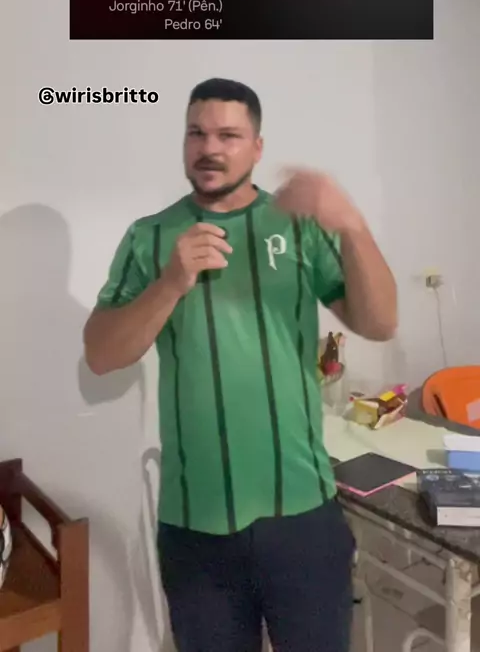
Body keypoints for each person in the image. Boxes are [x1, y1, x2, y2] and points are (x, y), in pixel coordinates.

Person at [83, 77, 397, 652]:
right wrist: (170, 283)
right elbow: (102, 356)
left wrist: (352, 225)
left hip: (303, 514)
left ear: (256, 147)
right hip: (194, 527)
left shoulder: (297, 224)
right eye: (196, 133)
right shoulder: (149, 237)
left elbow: (379, 323)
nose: (210, 148)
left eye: (228, 135)